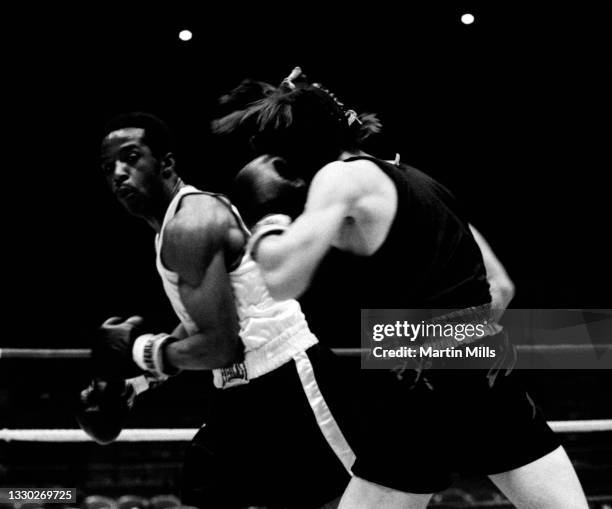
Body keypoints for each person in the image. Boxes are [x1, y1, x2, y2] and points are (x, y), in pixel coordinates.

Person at [213, 68, 589, 509]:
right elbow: (500, 287)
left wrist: (268, 218)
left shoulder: (340, 178)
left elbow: (283, 280)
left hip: (424, 382)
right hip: (484, 366)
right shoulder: (421, 181)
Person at [79, 111, 356, 508]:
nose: (119, 173)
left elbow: (221, 346)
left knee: (351, 500)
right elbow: (202, 324)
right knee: (204, 490)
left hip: (290, 383)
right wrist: (137, 384)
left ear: (166, 164)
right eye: (109, 168)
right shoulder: (171, 229)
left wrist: (137, 348)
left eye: (131, 157)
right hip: (238, 392)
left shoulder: (191, 223)